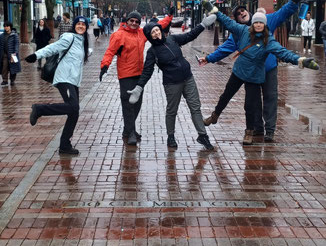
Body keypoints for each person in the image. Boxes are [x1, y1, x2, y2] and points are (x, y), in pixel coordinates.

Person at [200, 0, 307, 142]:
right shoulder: (239, 32)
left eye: (243, 10)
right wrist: (209, 58)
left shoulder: (267, 21)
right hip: (248, 72)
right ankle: (256, 129)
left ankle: (269, 131)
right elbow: (224, 48)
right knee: (253, 102)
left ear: (249, 12)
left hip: (268, 69)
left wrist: (294, 2)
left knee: (270, 98)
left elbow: (283, 14)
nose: (241, 13)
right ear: (238, 19)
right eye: (238, 13)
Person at [127, 15, 217, 150]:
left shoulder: (172, 39)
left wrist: (202, 25)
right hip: (172, 83)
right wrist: (139, 87)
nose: (156, 33)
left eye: (157, 30)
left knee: (195, 107)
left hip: (188, 78)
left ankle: (202, 135)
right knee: (172, 111)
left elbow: (189, 36)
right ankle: (170, 136)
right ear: (150, 36)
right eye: (153, 32)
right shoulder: (152, 52)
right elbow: (147, 71)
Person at [99, 10, 173, 145]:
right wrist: (104, 65)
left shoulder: (141, 33)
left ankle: (128, 129)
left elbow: (159, 25)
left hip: (139, 74)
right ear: (127, 21)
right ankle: (131, 132)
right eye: (131, 21)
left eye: (136, 22)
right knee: (128, 104)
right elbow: (110, 51)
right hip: (126, 75)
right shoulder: (118, 35)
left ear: (139, 23)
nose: (134, 23)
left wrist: (170, 16)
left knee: (137, 104)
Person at [25, 16, 90, 155]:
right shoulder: (69, 37)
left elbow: (79, 56)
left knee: (74, 112)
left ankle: (65, 145)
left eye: (83, 25)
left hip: (74, 81)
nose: (81, 26)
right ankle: (39, 109)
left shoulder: (83, 41)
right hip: (64, 78)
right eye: (78, 24)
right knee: (73, 107)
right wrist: (36, 55)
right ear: (74, 25)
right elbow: (53, 48)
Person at [0, 21, 21, 86]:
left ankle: (12, 80)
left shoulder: (14, 35)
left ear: (10, 27)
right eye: (5, 26)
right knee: (4, 67)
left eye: (7, 26)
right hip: (4, 54)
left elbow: (16, 44)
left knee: (13, 67)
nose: (6, 27)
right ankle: (5, 80)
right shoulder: (2, 36)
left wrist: (15, 53)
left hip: (13, 54)